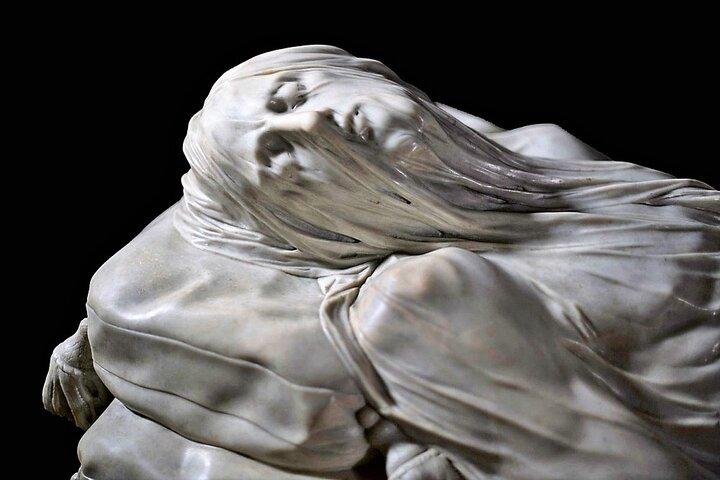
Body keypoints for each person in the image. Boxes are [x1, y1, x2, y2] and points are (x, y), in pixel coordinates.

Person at [44, 45, 719, 479]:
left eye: (293, 96)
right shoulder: (425, 299)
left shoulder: (552, 156)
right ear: (305, 218)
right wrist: (97, 336)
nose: (311, 125)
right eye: (280, 155)